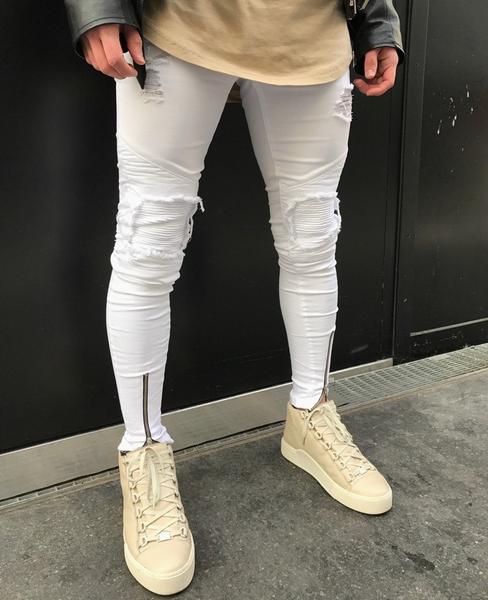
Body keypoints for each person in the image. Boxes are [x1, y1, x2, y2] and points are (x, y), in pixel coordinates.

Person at [64, 0, 405, 595]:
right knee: (147, 247)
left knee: (312, 236)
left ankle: (310, 414)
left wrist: (378, 18)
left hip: (311, 35)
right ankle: (142, 450)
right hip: (183, 24)